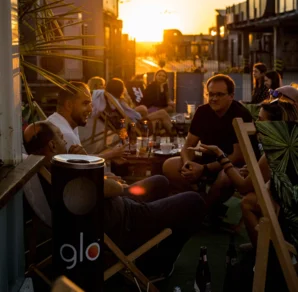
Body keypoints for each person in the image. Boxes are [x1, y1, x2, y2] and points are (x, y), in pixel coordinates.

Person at [23, 121, 206, 280]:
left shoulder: (51, 169)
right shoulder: (65, 174)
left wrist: (92, 170)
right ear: (53, 146)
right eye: (62, 138)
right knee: (194, 201)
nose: (65, 141)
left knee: (160, 182)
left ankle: (149, 250)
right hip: (125, 223)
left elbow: (104, 188)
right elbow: (114, 187)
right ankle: (157, 265)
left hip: (115, 207)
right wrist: (86, 162)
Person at [191, 100, 298, 248]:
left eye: (260, 120)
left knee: (248, 201)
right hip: (291, 203)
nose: (256, 124)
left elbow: (242, 187)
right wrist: (254, 172)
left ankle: (264, 253)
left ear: (274, 125)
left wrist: (220, 155)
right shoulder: (291, 145)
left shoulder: (275, 152)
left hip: (290, 216)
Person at [163, 74, 256, 212]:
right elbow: (188, 145)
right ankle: (203, 200)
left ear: (231, 95)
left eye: (219, 94)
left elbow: (237, 157)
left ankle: (203, 210)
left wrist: (204, 169)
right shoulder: (202, 112)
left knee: (226, 177)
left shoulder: (240, 115)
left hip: (232, 165)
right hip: (206, 161)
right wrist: (188, 164)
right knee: (169, 165)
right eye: (211, 94)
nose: (214, 98)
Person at [47, 81, 125, 161]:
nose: (90, 109)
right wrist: (111, 155)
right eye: (85, 104)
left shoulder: (55, 120)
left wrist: (111, 154)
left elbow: (82, 158)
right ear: (69, 105)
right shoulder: (66, 136)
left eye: (90, 104)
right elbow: (84, 167)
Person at [106, 78, 174, 135]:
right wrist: (142, 117)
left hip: (132, 122)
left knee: (159, 114)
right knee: (162, 113)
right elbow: (135, 115)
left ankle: (173, 132)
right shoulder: (120, 102)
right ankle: (174, 133)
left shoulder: (111, 100)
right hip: (136, 126)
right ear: (121, 90)